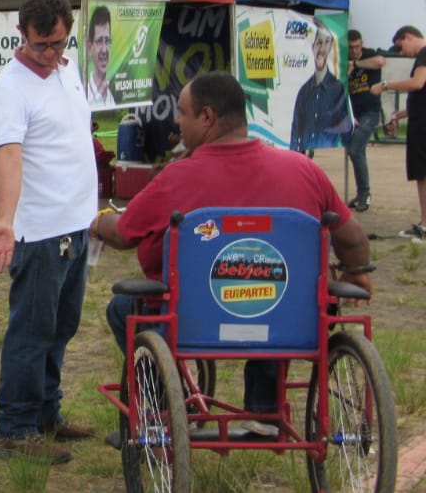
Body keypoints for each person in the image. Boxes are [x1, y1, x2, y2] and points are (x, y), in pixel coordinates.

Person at [93, 71, 373, 441]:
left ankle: (166, 406)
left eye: (182, 113)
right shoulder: (304, 171)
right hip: (287, 319)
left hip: (193, 319)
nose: (177, 121)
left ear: (206, 118)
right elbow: (352, 237)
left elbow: (125, 234)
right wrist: (356, 274)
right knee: (272, 293)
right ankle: (263, 411)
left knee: (121, 307)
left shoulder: (176, 178)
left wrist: (98, 222)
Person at [0, 0, 97, 465]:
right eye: (42, 44)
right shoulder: (10, 87)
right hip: (40, 231)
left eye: (59, 43)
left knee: (61, 326)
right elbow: (9, 154)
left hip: (76, 225)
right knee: (31, 329)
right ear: (21, 34)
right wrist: (4, 220)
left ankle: (47, 411)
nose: (51, 54)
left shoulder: (67, 71)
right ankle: (14, 427)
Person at [372, 25, 426, 239]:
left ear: (409, 36)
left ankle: (425, 227)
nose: (402, 53)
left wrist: (385, 85)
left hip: (422, 126)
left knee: (422, 174)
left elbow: (417, 83)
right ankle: (423, 222)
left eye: (401, 47)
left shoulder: (424, 53)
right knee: (421, 174)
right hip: (418, 120)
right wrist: (399, 115)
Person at [290, 22, 351, 152]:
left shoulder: (337, 88)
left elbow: (345, 128)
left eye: (326, 42)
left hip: (328, 157)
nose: (322, 48)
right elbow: (295, 132)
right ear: (312, 47)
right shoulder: (303, 92)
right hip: (305, 159)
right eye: (319, 43)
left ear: (330, 47)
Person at [344, 30, 386, 211]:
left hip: (370, 112)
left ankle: (365, 193)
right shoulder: (344, 60)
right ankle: (361, 192)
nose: (354, 50)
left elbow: (380, 62)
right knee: (356, 151)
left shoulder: (369, 55)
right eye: (351, 48)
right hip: (354, 114)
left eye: (357, 47)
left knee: (355, 150)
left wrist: (356, 63)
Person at [85, 5, 115, 107]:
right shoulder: (84, 96)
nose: (104, 49)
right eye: (99, 41)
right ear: (90, 47)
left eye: (107, 41)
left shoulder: (111, 98)